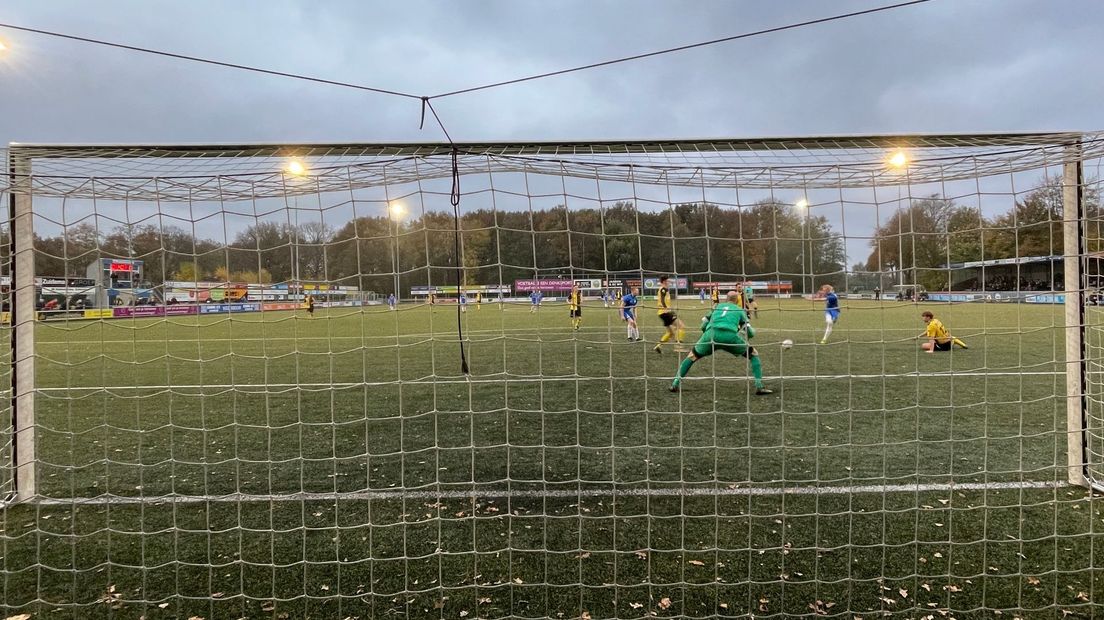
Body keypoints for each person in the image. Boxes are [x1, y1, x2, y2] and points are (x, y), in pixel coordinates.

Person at [669, 290, 772, 395]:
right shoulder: (739, 310)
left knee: (692, 356)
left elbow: (703, 326)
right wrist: (743, 335)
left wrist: (707, 335)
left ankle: (675, 383)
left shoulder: (716, 307)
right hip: (730, 337)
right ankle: (759, 386)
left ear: (726, 299)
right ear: (737, 301)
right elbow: (750, 333)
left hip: (710, 335)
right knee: (753, 354)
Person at [653, 275, 685, 353]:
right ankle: (679, 347)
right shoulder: (663, 289)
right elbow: (662, 300)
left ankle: (658, 346)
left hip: (662, 313)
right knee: (681, 326)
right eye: (668, 280)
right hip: (665, 312)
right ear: (664, 281)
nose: (669, 282)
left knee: (670, 333)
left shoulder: (663, 289)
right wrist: (666, 308)